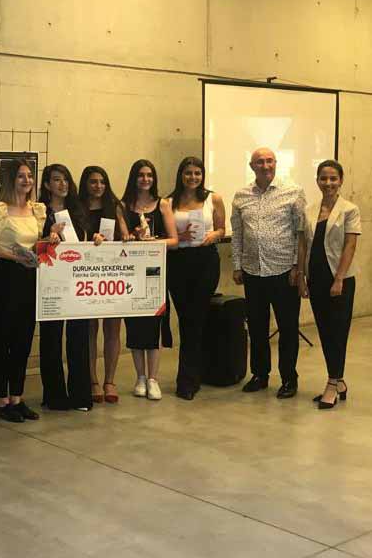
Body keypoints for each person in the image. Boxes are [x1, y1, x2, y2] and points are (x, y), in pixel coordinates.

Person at [0, 158, 59, 422]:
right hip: (6, 277)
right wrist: (16, 257)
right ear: (11, 179)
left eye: (30, 176)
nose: (27, 180)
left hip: (30, 278)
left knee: (23, 340)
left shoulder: (37, 210)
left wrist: (50, 238)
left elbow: (36, 246)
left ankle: (17, 397)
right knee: (3, 340)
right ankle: (2, 400)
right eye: (21, 176)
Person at [231, 147, 306, 398]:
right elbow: (238, 234)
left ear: (275, 163)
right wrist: (237, 265)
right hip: (253, 271)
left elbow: (300, 234)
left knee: (288, 329)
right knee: (257, 328)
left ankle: (289, 379)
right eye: (260, 162)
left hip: (284, 272)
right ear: (251, 166)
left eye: (269, 161)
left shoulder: (293, 192)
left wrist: (297, 267)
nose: (265, 166)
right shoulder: (241, 196)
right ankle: (260, 375)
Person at [297, 160, 361, 409]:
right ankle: (338, 381)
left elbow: (350, 245)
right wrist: (301, 275)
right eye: (323, 178)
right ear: (317, 180)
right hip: (316, 278)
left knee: (338, 331)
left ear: (341, 180)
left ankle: (332, 383)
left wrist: (339, 279)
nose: (328, 183)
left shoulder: (350, 209)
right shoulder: (310, 210)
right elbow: (304, 244)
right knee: (324, 330)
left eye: (333, 178)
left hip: (340, 278)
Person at [166, 157, 226, 400]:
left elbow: (222, 229)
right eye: (188, 173)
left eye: (197, 173)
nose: (193, 177)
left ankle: (187, 380)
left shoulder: (214, 198)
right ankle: (193, 374)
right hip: (177, 263)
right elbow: (166, 234)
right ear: (181, 175)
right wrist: (180, 236)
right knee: (185, 319)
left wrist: (214, 236)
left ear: (203, 175)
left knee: (196, 318)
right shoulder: (169, 201)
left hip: (205, 262)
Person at [121, 159, 178, 401]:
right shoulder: (123, 206)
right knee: (134, 326)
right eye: (141, 175)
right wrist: (130, 239)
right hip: (131, 275)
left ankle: (153, 379)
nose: (145, 179)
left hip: (156, 273)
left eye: (149, 175)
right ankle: (140, 377)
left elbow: (174, 240)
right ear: (134, 178)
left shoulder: (163, 204)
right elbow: (122, 238)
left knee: (155, 326)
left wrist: (151, 243)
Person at [38, 164, 92, 412]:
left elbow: (87, 241)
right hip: (50, 282)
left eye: (66, 179)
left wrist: (96, 240)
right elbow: (33, 246)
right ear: (47, 184)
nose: (63, 184)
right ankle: (54, 395)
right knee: (51, 339)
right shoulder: (39, 211)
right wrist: (47, 237)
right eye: (57, 180)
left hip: (77, 281)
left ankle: (81, 395)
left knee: (79, 337)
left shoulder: (78, 210)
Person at [78, 166, 129, 404]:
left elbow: (124, 235)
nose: (98, 186)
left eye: (102, 182)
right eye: (93, 182)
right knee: (90, 329)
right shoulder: (77, 207)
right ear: (85, 184)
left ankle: (110, 381)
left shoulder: (114, 206)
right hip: (86, 275)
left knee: (112, 329)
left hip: (112, 274)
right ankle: (92, 380)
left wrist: (128, 236)